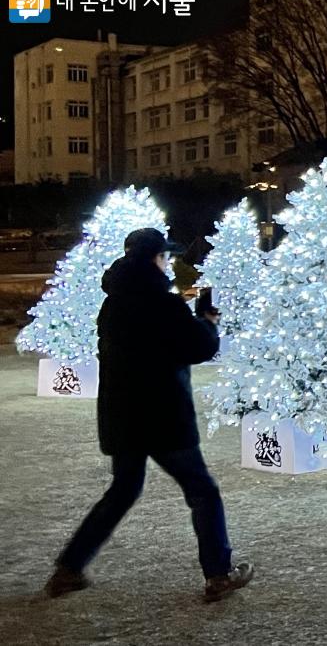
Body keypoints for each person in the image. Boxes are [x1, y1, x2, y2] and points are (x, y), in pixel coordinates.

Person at [44, 228, 254, 603]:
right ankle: (218, 574)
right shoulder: (163, 303)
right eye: (165, 257)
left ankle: (68, 568)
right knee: (202, 491)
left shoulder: (113, 304)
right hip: (163, 417)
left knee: (123, 491)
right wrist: (207, 320)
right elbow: (197, 347)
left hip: (122, 417)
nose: (169, 262)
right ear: (155, 259)